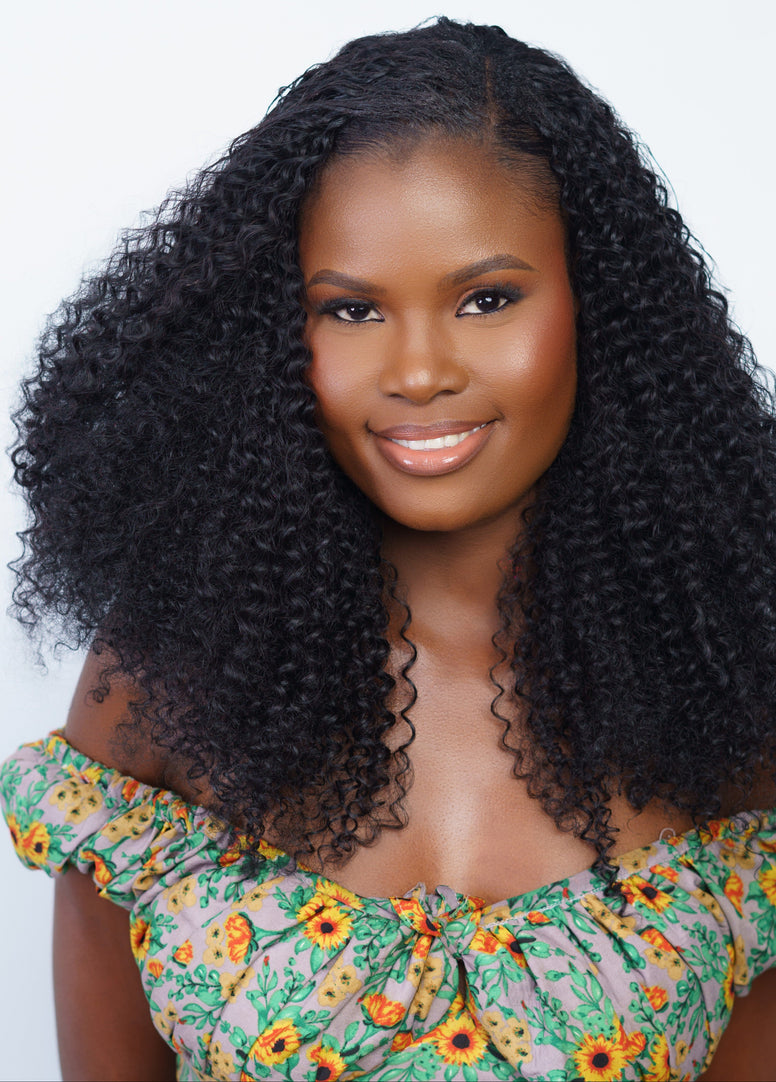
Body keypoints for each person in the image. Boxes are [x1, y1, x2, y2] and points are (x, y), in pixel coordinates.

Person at [1, 16, 775, 1080]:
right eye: (352, 309)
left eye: (487, 299)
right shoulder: (167, 678)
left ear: (596, 305)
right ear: (276, 337)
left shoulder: (727, 689)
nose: (417, 371)